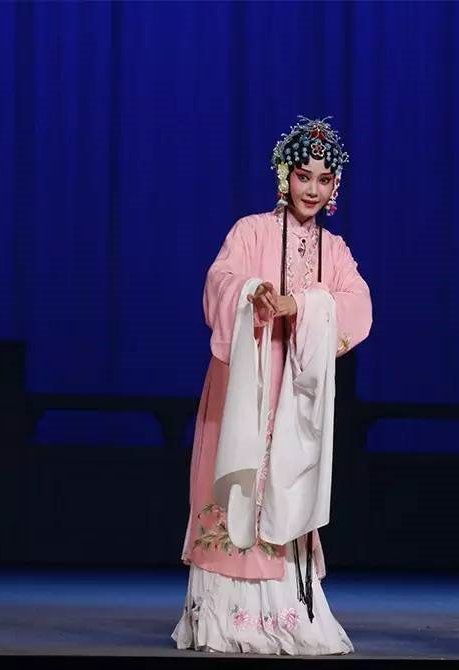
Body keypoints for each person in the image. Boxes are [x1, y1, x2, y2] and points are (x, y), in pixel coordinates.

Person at [172, 116, 371, 655]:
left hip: (295, 393)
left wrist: (303, 304)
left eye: (324, 179)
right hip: (245, 384)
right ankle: (223, 616)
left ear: (335, 186)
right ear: (285, 176)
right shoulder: (250, 231)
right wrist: (253, 292)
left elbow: (357, 304)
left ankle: (288, 612)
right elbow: (219, 281)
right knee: (236, 483)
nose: (312, 189)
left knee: (285, 486)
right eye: (304, 176)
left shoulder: (335, 250)